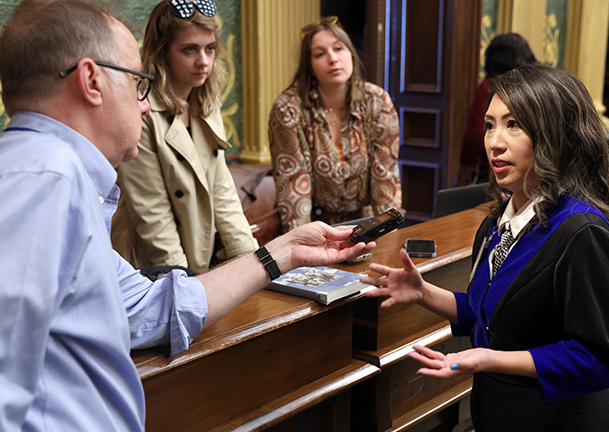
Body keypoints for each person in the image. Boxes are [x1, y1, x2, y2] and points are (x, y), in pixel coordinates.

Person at [0, 0, 374, 430]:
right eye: (138, 82)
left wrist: (283, 253)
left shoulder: (56, 176)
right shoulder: (43, 179)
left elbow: (146, 307)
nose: (144, 104)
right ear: (91, 80)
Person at [362, 64, 609, 431]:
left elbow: (597, 360)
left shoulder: (582, 233)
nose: (494, 142)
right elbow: (495, 316)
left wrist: (492, 359)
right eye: (490, 125)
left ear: (555, 134)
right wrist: (423, 292)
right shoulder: (500, 218)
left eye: (513, 124)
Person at [111, 0, 257, 273]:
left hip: (200, 254)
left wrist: (253, 266)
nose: (203, 61)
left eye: (210, 48)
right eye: (189, 49)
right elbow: (153, 215)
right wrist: (184, 284)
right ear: (163, 52)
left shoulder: (207, 101)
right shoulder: (142, 110)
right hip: (148, 266)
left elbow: (221, 189)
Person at [269, 16, 402, 234]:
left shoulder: (377, 101)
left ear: (350, 53)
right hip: (314, 227)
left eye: (338, 48)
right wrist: (304, 248)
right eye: (319, 54)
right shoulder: (288, 109)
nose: (333, 59)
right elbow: (294, 190)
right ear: (310, 66)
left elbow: (385, 183)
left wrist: (386, 239)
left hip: (366, 226)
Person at [454, 33, 536, 186]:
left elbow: (474, 136)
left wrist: (462, 175)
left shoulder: (490, 88)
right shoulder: (535, 88)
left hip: (495, 176)